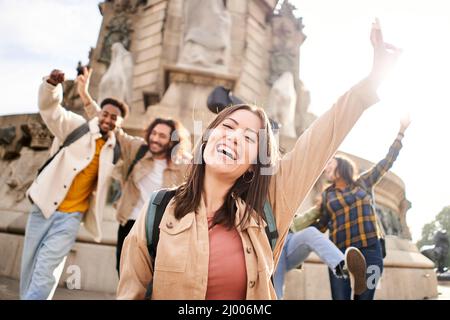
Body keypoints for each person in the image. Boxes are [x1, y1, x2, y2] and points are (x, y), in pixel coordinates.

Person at [116, 20, 402, 300]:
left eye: (250, 138)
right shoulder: (157, 211)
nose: (234, 137)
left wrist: (371, 82)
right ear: (207, 139)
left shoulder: (268, 206)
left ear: (256, 162)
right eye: (227, 127)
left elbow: (320, 140)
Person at [20, 69, 129, 300]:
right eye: (105, 114)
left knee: (47, 269)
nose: (108, 119)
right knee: (30, 263)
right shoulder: (76, 126)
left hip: (71, 217)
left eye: (114, 118)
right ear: (99, 114)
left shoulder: (115, 150)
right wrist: (51, 86)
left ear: (119, 124)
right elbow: (51, 111)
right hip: (43, 206)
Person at [76, 67, 191, 276]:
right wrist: (85, 96)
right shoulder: (137, 149)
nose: (155, 139)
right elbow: (109, 125)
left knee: (155, 278)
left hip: (162, 228)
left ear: (172, 140)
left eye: (162, 136)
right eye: (154, 133)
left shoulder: (183, 164)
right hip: (130, 223)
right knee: (125, 274)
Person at [315, 115, 411, 300]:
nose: (326, 167)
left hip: (371, 249)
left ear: (341, 164)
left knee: (366, 297)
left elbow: (387, 162)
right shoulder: (328, 194)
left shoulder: (363, 183)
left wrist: (401, 133)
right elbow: (323, 223)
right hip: (339, 254)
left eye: (330, 163)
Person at [273, 206, 367, 300]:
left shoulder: (282, 209)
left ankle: (344, 267)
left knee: (310, 232)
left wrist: (318, 207)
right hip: (270, 248)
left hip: (287, 240)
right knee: (273, 290)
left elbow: (298, 223)